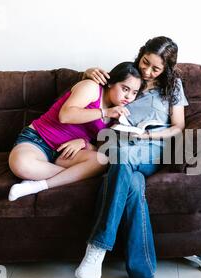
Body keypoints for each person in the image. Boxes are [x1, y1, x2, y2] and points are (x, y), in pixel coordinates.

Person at [75, 36, 189, 278]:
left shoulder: (173, 87)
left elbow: (178, 127)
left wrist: (148, 136)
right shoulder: (128, 75)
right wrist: (88, 73)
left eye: (155, 69)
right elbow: (96, 96)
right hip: (117, 142)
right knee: (134, 184)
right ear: (140, 55)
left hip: (152, 144)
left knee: (123, 159)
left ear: (167, 69)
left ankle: (96, 249)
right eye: (145, 62)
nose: (147, 72)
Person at [7, 62, 142, 201]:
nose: (128, 97)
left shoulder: (118, 114)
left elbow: (101, 148)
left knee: (101, 161)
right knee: (20, 164)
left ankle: (37, 185)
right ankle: (71, 176)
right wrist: (105, 112)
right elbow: (65, 116)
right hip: (39, 139)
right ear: (111, 83)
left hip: (66, 153)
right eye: (125, 89)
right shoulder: (92, 88)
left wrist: (84, 142)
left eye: (134, 93)